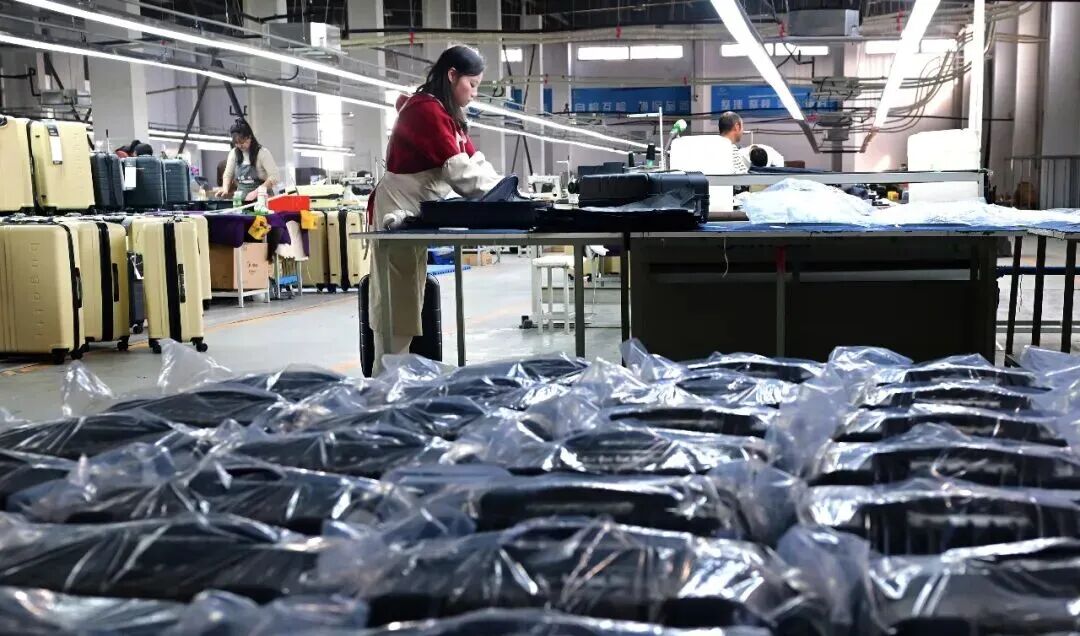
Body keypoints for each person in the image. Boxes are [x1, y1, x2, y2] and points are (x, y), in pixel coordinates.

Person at [367, 44, 502, 373]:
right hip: (397, 208)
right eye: (472, 84)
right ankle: (385, 381)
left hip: (412, 212)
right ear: (452, 75)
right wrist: (504, 196)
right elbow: (460, 174)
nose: (474, 93)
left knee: (408, 296)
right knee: (395, 300)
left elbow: (473, 161)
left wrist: (508, 189)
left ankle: (396, 375)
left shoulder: (449, 115)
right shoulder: (425, 109)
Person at [214, 119, 280, 201]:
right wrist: (225, 188)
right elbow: (228, 174)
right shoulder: (234, 153)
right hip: (242, 200)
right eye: (236, 143)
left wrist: (256, 192)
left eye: (242, 142)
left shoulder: (262, 153)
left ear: (250, 137)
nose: (240, 146)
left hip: (262, 199)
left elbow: (274, 177)